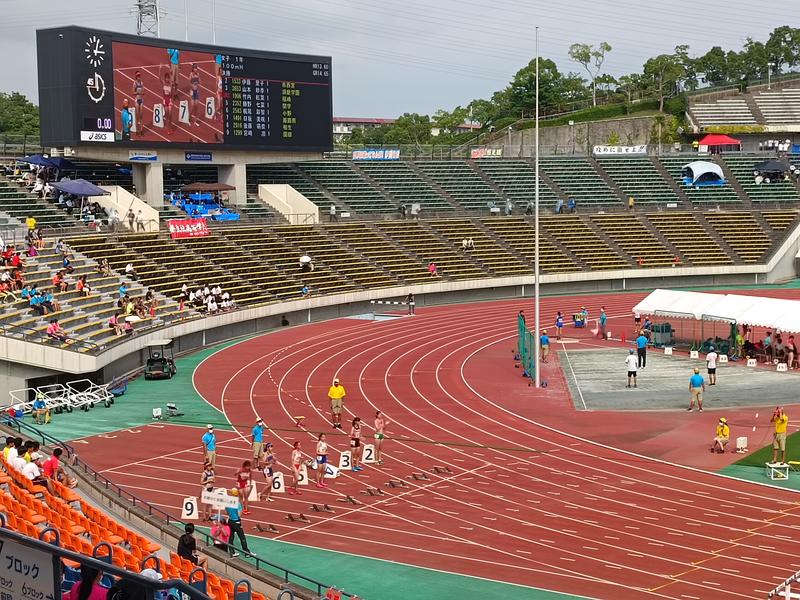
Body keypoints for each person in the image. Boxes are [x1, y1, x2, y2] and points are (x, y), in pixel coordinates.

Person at [224, 489, 252, 556]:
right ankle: (246, 553)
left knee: (231, 537)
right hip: (236, 521)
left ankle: (232, 552)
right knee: (242, 537)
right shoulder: (238, 503)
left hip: (230, 521)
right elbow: (239, 515)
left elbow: (226, 512)